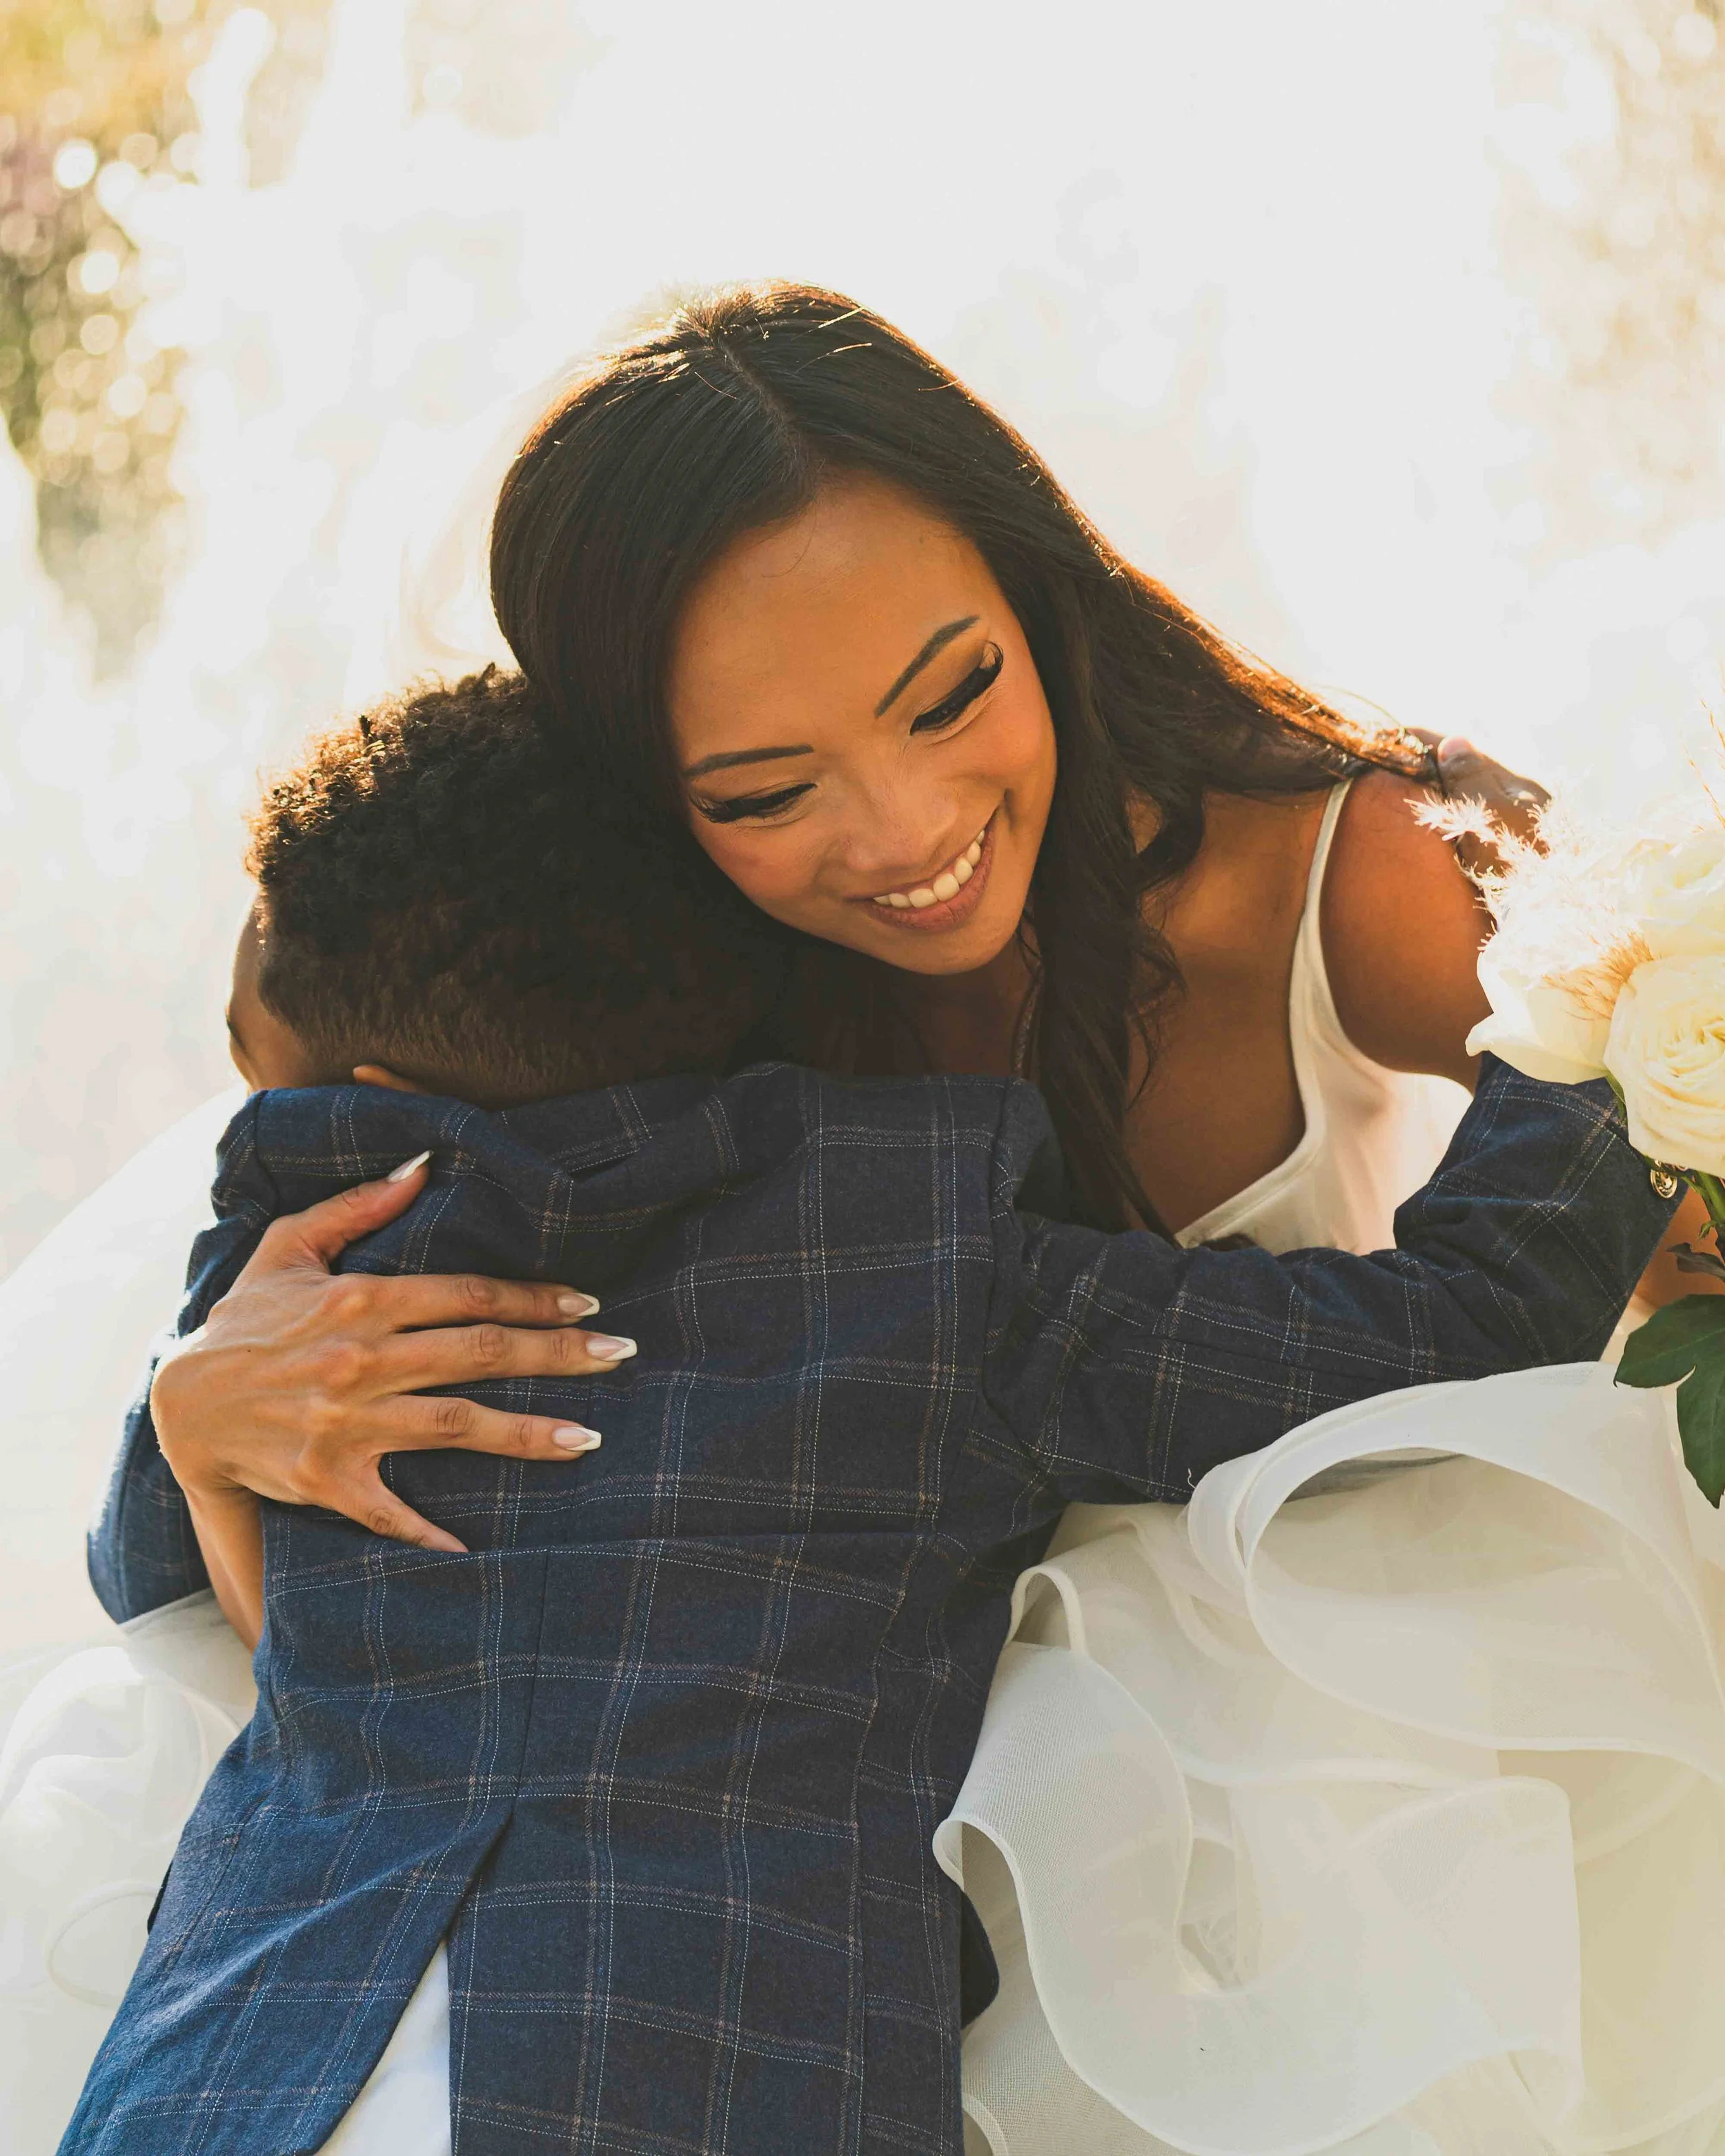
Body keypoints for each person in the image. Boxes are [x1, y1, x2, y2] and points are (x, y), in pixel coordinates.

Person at [108, 284, 1722, 2153]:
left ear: (1036, 588)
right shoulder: (643, 1025)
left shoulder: (1348, 862)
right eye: (761, 790)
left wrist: (1626, 971)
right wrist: (194, 1410)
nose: (899, 834)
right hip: (780, 1887)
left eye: (951, 694)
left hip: (1295, 1750)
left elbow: (1526, 1284)